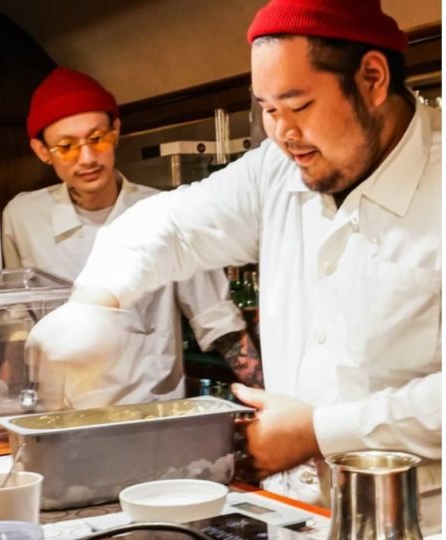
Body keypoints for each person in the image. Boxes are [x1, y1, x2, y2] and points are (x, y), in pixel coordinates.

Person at [28, 0, 441, 532]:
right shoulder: (276, 167)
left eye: (298, 105)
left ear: (372, 78)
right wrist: (94, 300)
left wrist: (322, 429)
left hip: (421, 516)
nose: (282, 132)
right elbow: (171, 225)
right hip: (290, 507)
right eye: (267, 109)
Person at [4, 67, 262, 409]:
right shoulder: (23, 217)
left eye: (98, 138)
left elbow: (220, 324)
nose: (87, 158)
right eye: (66, 147)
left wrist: (268, 396)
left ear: (116, 131)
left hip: (153, 413)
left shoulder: (164, 212)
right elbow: (13, 324)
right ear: (42, 150)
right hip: (59, 417)